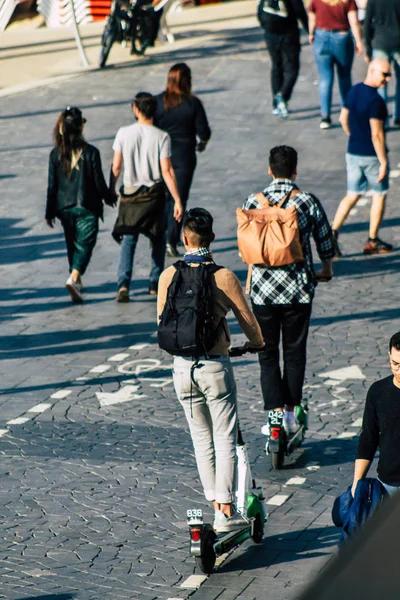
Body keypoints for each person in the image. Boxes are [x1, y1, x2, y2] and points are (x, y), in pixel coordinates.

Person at [157, 208, 265, 532]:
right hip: (215, 367)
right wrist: (256, 344)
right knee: (225, 438)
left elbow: (161, 322)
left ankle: (213, 502)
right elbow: (250, 326)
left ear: (184, 238)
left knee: (200, 439)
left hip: (181, 370)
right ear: (212, 238)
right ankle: (225, 512)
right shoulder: (224, 277)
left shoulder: (167, 277)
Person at [242, 145, 335, 434]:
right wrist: (326, 270)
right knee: (294, 354)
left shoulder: (253, 201)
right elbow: (325, 242)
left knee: (267, 354)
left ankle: (273, 417)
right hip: (297, 291)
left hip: (262, 293)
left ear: (270, 169)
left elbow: (247, 246)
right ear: (296, 169)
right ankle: (292, 415)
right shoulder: (306, 201)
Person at [111, 93, 183, 302]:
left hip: (131, 195)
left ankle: (123, 283)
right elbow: (167, 170)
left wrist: (110, 188)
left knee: (129, 239)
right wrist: (178, 199)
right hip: (154, 195)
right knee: (157, 237)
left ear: (135, 108)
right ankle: (154, 282)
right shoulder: (162, 136)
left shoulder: (123, 133)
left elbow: (116, 166)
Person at [45, 106, 116, 304]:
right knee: (86, 243)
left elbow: (52, 187)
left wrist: (49, 212)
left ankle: (76, 278)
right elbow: (98, 181)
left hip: (64, 207)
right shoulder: (91, 152)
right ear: (80, 127)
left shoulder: (55, 154)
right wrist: (109, 197)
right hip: (87, 206)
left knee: (72, 242)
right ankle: (74, 277)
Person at [331, 58, 393, 257]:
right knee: (379, 194)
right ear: (372, 70)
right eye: (385, 74)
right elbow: (377, 134)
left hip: (353, 152)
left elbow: (342, 118)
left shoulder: (354, 90)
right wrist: (383, 162)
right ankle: (372, 239)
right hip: (371, 156)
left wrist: (353, 135)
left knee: (352, 195)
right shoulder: (376, 101)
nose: (388, 79)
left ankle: (332, 234)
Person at [153, 63, 211, 257]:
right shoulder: (192, 103)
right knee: (180, 197)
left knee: (165, 197)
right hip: (185, 155)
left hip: (161, 155)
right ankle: (171, 238)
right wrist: (202, 143)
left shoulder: (158, 102)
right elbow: (204, 131)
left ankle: (162, 235)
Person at [352, 332, 400, 498]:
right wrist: (357, 483)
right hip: (388, 486)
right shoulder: (378, 392)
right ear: (389, 356)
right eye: (395, 363)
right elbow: (368, 439)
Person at [308, 0, 364, 130]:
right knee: (344, 77)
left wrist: (311, 33)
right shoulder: (347, 1)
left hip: (321, 36)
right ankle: (347, 113)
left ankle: (325, 116)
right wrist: (359, 41)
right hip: (342, 37)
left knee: (325, 79)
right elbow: (354, 21)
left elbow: (312, 17)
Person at [257, 0, 309, 119]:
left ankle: (276, 103)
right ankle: (282, 96)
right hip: (289, 34)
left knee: (276, 67)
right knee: (292, 69)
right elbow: (300, 12)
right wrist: (310, 31)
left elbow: (260, 12)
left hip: (270, 35)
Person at [364, 0, 400, 127]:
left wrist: (367, 47)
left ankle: (381, 118)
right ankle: (398, 116)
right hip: (398, 42)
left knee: (380, 83)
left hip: (380, 43)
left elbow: (367, 21)